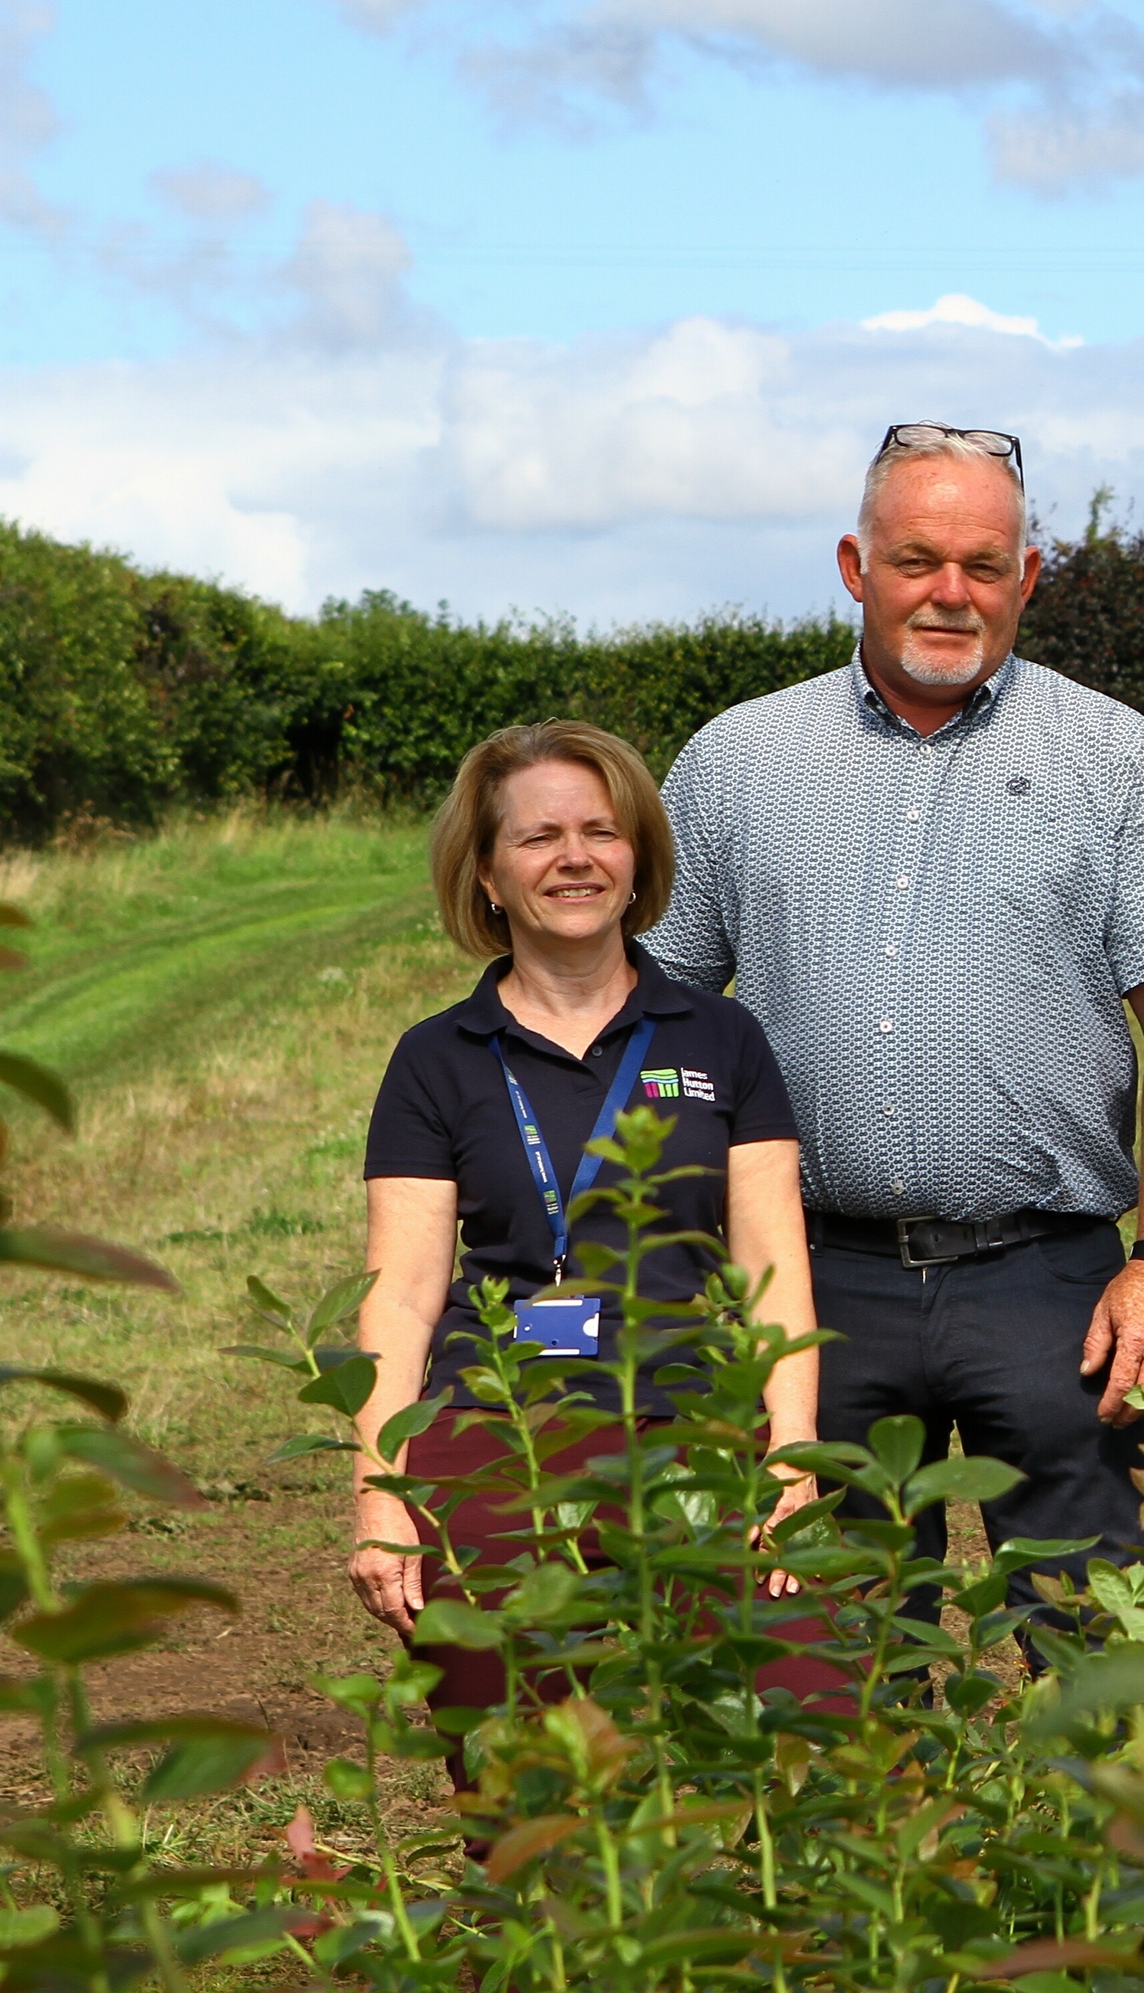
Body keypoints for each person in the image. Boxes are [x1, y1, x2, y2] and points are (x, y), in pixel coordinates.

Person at [650, 424, 1144, 1612]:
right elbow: (660, 1018)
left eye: (984, 567)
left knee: (1103, 1646)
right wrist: (685, 1259)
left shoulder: (1116, 757)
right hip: (812, 1287)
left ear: (1027, 580)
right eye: (918, 558)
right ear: (853, 566)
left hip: (1052, 1287)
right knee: (833, 1653)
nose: (950, 593)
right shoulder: (739, 759)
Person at [350, 720, 828, 1756]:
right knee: (518, 1737)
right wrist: (380, 1500)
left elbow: (774, 1267)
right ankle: (550, 1901)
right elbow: (400, 1296)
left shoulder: (722, 1039)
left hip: (691, 1416)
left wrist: (790, 1461)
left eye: (601, 832)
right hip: (500, 1425)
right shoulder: (436, 1061)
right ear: (486, 874)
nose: (574, 858)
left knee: (800, 1708)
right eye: (538, 838)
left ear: (638, 857)